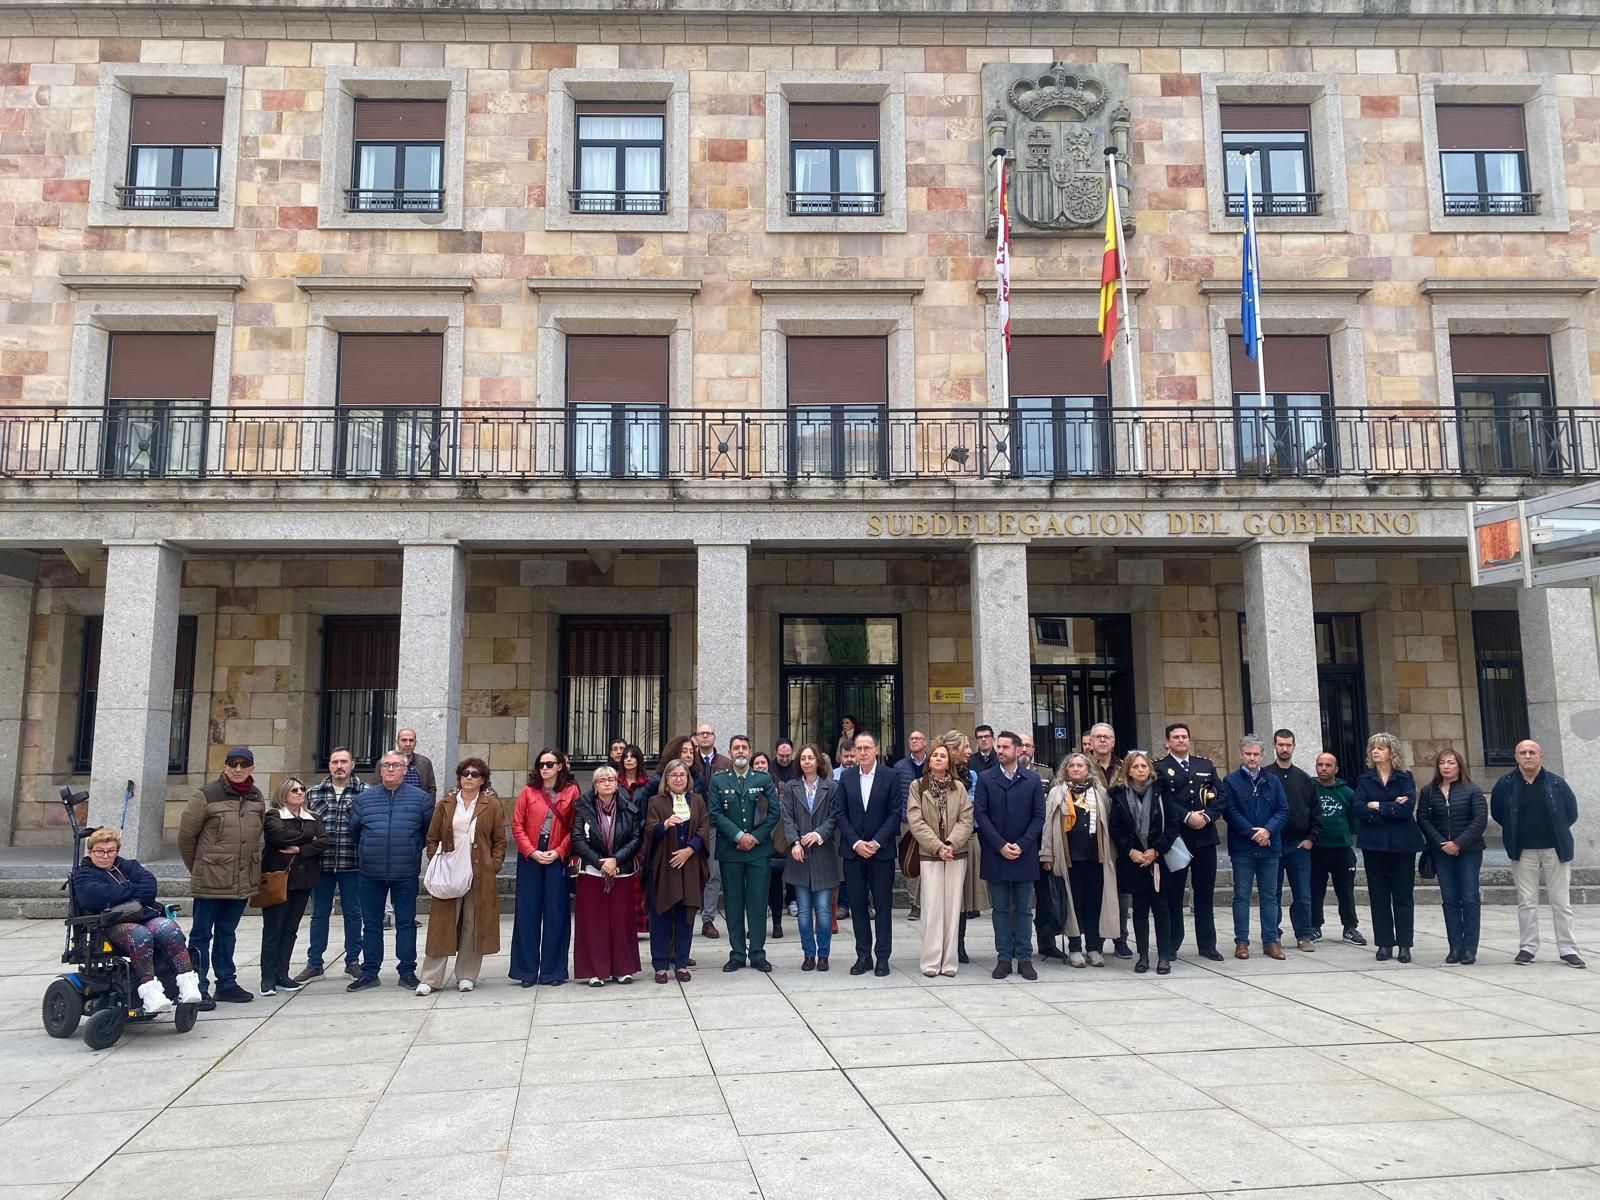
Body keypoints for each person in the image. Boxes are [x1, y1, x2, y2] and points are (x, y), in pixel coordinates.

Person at [73, 827, 203, 1013]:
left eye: (111, 851)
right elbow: (95, 897)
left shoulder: (128, 866)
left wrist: (120, 893)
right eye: (99, 851)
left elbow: (150, 887)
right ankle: (150, 991)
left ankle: (187, 982)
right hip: (110, 924)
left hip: (145, 916)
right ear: (91, 851)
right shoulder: (83, 875)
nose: (105, 855)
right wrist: (132, 890)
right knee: (140, 935)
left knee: (169, 928)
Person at [177, 746, 265, 1008]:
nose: (238, 769)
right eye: (233, 764)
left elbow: (258, 835)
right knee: (201, 935)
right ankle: (197, 986)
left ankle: (226, 982)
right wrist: (200, 869)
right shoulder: (205, 795)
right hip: (211, 879)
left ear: (251, 768)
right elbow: (186, 838)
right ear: (225, 766)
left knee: (228, 933)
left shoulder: (256, 796)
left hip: (241, 880)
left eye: (244, 764)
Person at [1491, 738, 1584, 968]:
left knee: (1561, 901)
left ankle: (1568, 949)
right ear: (1516, 757)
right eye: (1523, 752)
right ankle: (1528, 948)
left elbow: (1571, 813)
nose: (1528, 756)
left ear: (1541, 756)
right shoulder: (1505, 784)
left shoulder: (1556, 783)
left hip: (1555, 849)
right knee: (1526, 902)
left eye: (1532, 752)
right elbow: (1499, 814)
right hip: (1523, 851)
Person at [346, 751, 434, 991]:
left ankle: (407, 971)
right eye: (386, 765)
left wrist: (413, 849)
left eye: (396, 765)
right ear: (380, 770)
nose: (391, 769)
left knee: (405, 923)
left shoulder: (422, 800)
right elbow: (355, 831)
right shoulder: (364, 800)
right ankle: (369, 971)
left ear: (406, 770)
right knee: (371, 924)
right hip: (370, 872)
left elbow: (427, 833)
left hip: (405, 871)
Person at [418, 757, 506, 995]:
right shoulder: (446, 804)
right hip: (449, 872)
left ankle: (466, 975)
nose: (469, 777)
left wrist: (493, 864)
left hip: (479, 874)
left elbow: (499, 840)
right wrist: (434, 856)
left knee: (472, 924)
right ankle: (431, 977)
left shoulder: (491, 805)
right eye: (465, 773)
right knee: (442, 925)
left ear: (483, 780)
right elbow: (432, 836)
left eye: (475, 774)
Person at [974, 730, 1046, 981]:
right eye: (998, 747)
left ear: (1018, 750)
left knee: (1025, 909)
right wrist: (1000, 845)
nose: (1000, 751)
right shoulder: (985, 778)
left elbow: (1039, 816)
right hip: (996, 853)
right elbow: (981, 815)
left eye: (1005, 747)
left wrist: (1023, 844)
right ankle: (1004, 958)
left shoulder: (1032, 780)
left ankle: (1025, 958)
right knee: (1001, 909)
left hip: (1024, 854)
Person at [709, 736, 780, 973]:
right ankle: (737, 953)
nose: (741, 751)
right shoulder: (719, 780)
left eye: (744, 748)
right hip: (731, 851)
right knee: (733, 903)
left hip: (758, 851)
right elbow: (715, 813)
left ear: (750, 752)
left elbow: (773, 812)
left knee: (758, 903)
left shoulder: (763, 779)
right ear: (730, 752)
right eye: (736, 748)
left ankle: (758, 954)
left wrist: (754, 838)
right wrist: (739, 836)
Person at [1153, 722, 1222, 962]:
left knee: (1205, 893)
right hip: (1177, 838)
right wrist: (1186, 816)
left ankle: (1207, 945)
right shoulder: (1159, 768)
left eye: (1184, 737)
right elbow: (1162, 799)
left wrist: (1206, 816)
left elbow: (1220, 796)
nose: (1181, 740)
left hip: (1204, 837)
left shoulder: (1205, 765)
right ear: (1167, 742)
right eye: (1176, 737)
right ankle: (1172, 944)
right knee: (1174, 895)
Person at [510, 749, 579, 987]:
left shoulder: (571, 792)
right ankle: (526, 971)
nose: (545, 769)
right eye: (541, 765)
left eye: (550, 764)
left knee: (556, 914)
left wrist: (559, 851)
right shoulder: (528, 792)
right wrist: (531, 851)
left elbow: (574, 827)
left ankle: (553, 971)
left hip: (557, 854)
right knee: (527, 913)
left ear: (560, 766)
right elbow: (517, 824)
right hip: (531, 854)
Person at [297, 747, 365, 983]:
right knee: (319, 915)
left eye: (344, 761)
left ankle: (353, 961)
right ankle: (315, 963)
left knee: (354, 914)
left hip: (353, 863)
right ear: (329, 765)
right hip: (321, 865)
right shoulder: (313, 794)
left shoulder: (365, 792)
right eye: (335, 761)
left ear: (352, 764)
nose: (339, 766)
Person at [571, 765, 643, 987]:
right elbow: (577, 838)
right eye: (601, 780)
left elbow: (635, 838)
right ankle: (595, 971)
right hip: (593, 871)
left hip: (620, 870)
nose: (606, 783)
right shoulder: (583, 806)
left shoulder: (629, 808)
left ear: (617, 783)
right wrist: (600, 862)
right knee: (593, 922)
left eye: (610, 779)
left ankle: (623, 968)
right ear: (595, 785)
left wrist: (616, 860)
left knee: (621, 922)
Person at [906, 742, 974, 976]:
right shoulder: (917, 786)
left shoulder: (959, 788)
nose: (937, 758)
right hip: (930, 854)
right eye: (934, 755)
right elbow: (915, 820)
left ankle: (949, 962)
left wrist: (951, 843)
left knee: (953, 909)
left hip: (956, 853)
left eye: (942, 756)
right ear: (929, 761)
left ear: (948, 762)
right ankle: (931, 962)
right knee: (932, 908)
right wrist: (937, 846)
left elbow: (966, 819)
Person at [1044, 753, 1118, 967]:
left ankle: (1094, 948)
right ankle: (1075, 947)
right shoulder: (1057, 793)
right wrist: (1046, 853)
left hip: (1095, 857)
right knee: (1072, 903)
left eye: (1080, 766)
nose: (1076, 769)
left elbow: (1108, 823)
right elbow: (1048, 824)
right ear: (1065, 770)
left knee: (1093, 903)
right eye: (1072, 766)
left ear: (1088, 770)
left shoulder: (1099, 793)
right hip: (1068, 858)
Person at [1354, 732, 1422, 964]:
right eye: (1373, 748)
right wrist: (1390, 807)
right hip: (1374, 845)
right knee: (1379, 895)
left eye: (1380, 748)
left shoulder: (1405, 778)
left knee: (1403, 895)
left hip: (1403, 844)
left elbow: (1406, 810)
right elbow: (1360, 809)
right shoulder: (1365, 779)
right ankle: (1384, 943)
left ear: (1391, 752)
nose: (1375, 751)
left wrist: (1379, 806)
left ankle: (1404, 944)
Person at [1108, 751, 1178, 974]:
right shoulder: (1119, 795)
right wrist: (1131, 851)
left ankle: (1164, 957)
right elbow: (1115, 828)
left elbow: (1173, 825)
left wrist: (1156, 850)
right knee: (1139, 909)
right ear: (1128, 770)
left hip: (1159, 859)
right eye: (1136, 767)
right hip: (1134, 861)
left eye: (1144, 766)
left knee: (1162, 909)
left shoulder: (1162, 791)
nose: (1140, 770)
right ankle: (1143, 956)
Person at [837, 731, 900, 976]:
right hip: (853, 854)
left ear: (876, 750)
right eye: (858, 748)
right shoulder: (846, 778)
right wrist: (856, 843)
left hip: (881, 853)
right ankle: (863, 955)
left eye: (866, 748)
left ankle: (882, 956)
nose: (861, 753)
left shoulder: (890, 776)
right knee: (857, 904)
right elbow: (840, 813)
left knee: (883, 905)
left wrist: (875, 842)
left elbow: (895, 814)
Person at [1221, 734, 1289, 961]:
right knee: (1241, 895)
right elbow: (1230, 812)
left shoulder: (1273, 780)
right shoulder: (1231, 781)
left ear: (1262, 756)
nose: (1252, 758)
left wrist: (1267, 831)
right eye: (1248, 754)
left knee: (1270, 895)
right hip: (1243, 848)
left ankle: (1271, 941)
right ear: (1241, 754)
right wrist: (1253, 833)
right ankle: (1242, 942)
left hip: (1270, 846)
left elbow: (1282, 810)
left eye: (1256, 754)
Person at [1418, 748, 1488, 966]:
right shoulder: (1429, 791)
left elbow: (1479, 820)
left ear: (1459, 766)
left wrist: (1458, 843)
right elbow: (1423, 818)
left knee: (1469, 897)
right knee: (1449, 899)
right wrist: (1442, 843)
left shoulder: (1472, 790)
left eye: (1451, 762)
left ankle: (1469, 948)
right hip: (1441, 852)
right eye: (1442, 763)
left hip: (1469, 851)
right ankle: (1454, 946)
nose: (1446, 767)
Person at [259, 777, 326, 996]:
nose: (299, 792)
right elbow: (278, 836)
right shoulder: (273, 815)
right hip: (279, 880)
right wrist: (309, 836)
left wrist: (300, 849)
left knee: (290, 929)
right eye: (294, 789)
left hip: (303, 880)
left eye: (302, 789)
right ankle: (267, 978)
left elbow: (324, 841)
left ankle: (282, 974)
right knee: (273, 930)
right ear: (283, 794)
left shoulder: (313, 816)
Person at [645, 761, 711, 982]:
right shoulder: (656, 801)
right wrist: (663, 825)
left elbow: (703, 827)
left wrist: (690, 850)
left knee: (686, 915)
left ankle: (681, 963)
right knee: (661, 915)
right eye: (673, 775)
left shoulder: (698, 801)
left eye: (682, 775)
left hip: (689, 864)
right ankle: (661, 965)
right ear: (666, 778)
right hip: (665, 866)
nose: (679, 779)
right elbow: (649, 830)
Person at [781, 743, 841, 971]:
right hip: (799, 857)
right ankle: (808, 953)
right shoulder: (791, 787)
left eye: (810, 758)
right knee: (804, 910)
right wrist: (794, 842)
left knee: (824, 909)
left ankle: (824, 953)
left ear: (819, 761)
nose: (806, 762)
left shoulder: (831, 786)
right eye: (803, 758)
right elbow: (786, 816)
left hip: (823, 853)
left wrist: (818, 834)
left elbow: (835, 817)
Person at [1265, 729, 1322, 953]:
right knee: (1272, 893)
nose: (1285, 749)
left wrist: (1310, 839)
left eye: (1288, 745)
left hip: (1299, 845)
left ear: (1294, 746)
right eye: (1281, 744)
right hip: (1273, 844)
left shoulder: (1304, 779)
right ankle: (1273, 935)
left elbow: (1316, 812)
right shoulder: (1266, 776)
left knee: (1303, 894)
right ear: (1274, 745)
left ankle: (1304, 934)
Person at [939, 729, 988, 964]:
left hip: (966, 840)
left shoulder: (973, 776)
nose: (969, 751)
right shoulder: (934, 772)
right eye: (965, 747)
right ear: (953, 749)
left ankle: (959, 944)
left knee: (962, 898)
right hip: (938, 844)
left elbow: (970, 808)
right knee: (941, 898)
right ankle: (941, 943)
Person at [1085, 722, 1132, 959]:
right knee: (1095, 891)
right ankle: (1096, 939)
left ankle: (1120, 938)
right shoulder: (1080, 766)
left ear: (1113, 742)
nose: (1102, 741)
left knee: (1121, 892)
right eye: (1098, 737)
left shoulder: (1125, 768)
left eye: (1107, 737)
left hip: (1121, 837)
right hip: (1091, 839)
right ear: (1090, 742)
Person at [1310, 752, 1366, 947]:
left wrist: (1344, 836)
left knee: (1346, 891)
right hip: (1315, 849)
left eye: (1328, 765)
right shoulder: (1309, 789)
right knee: (1315, 890)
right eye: (1320, 765)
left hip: (1342, 850)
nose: (1323, 768)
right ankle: (1314, 926)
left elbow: (1353, 820)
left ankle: (1350, 927)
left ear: (1336, 769)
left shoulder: (1348, 793)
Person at [690, 723, 733, 940]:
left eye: (709, 733)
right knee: (690, 872)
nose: (705, 736)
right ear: (696, 738)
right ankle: (688, 917)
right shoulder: (689, 759)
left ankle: (708, 919)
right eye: (701, 733)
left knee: (713, 873)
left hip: (716, 824)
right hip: (691, 824)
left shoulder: (725, 763)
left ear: (715, 737)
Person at [751, 751, 788, 940]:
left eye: (763, 763)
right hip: (756, 842)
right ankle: (756, 926)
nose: (760, 766)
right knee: (756, 888)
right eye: (756, 763)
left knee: (775, 886)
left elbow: (784, 812)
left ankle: (777, 924)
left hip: (777, 841)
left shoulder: (780, 786)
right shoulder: (747, 786)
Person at [896, 730, 930, 921]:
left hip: (931, 822)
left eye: (918, 738)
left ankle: (927, 902)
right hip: (907, 822)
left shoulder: (933, 764)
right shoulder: (900, 766)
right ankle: (914, 905)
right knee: (910, 863)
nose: (914, 741)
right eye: (911, 738)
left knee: (929, 863)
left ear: (925, 742)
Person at [395, 727, 437, 799]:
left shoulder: (425, 763)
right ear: (397, 742)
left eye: (411, 740)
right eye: (404, 740)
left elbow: (431, 789)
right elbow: (377, 787)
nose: (408, 744)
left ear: (415, 743)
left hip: (418, 807)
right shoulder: (385, 763)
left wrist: (428, 807)